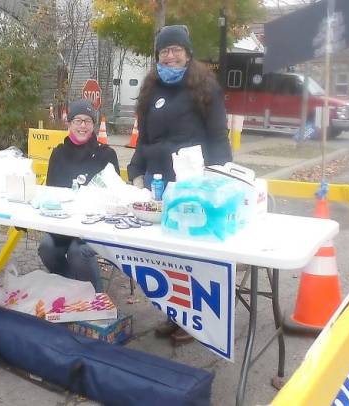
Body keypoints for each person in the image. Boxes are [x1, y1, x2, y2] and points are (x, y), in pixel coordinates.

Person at [128, 25, 233, 346]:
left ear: (188, 53)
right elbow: (144, 140)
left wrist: (221, 178)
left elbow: (217, 137)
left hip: (193, 186)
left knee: (191, 255)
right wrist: (135, 171)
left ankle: (195, 318)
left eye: (176, 49)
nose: (170, 55)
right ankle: (175, 313)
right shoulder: (150, 91)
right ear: (157, 56)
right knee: (165, 255)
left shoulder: (205, 88)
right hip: (159, 186)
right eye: (164, 50)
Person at [38, 99, 120, 292]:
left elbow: (115, 196)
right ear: (69, 123)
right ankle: (71, 287)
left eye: (88, 121)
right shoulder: (58, 154)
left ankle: (97, 298)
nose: (83, 126)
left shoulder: (107, 154)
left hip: (94, 227)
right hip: (64, 225)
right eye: (78, 120)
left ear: (93, 125)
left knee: (78, 252)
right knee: (46, 248)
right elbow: (51, 193)